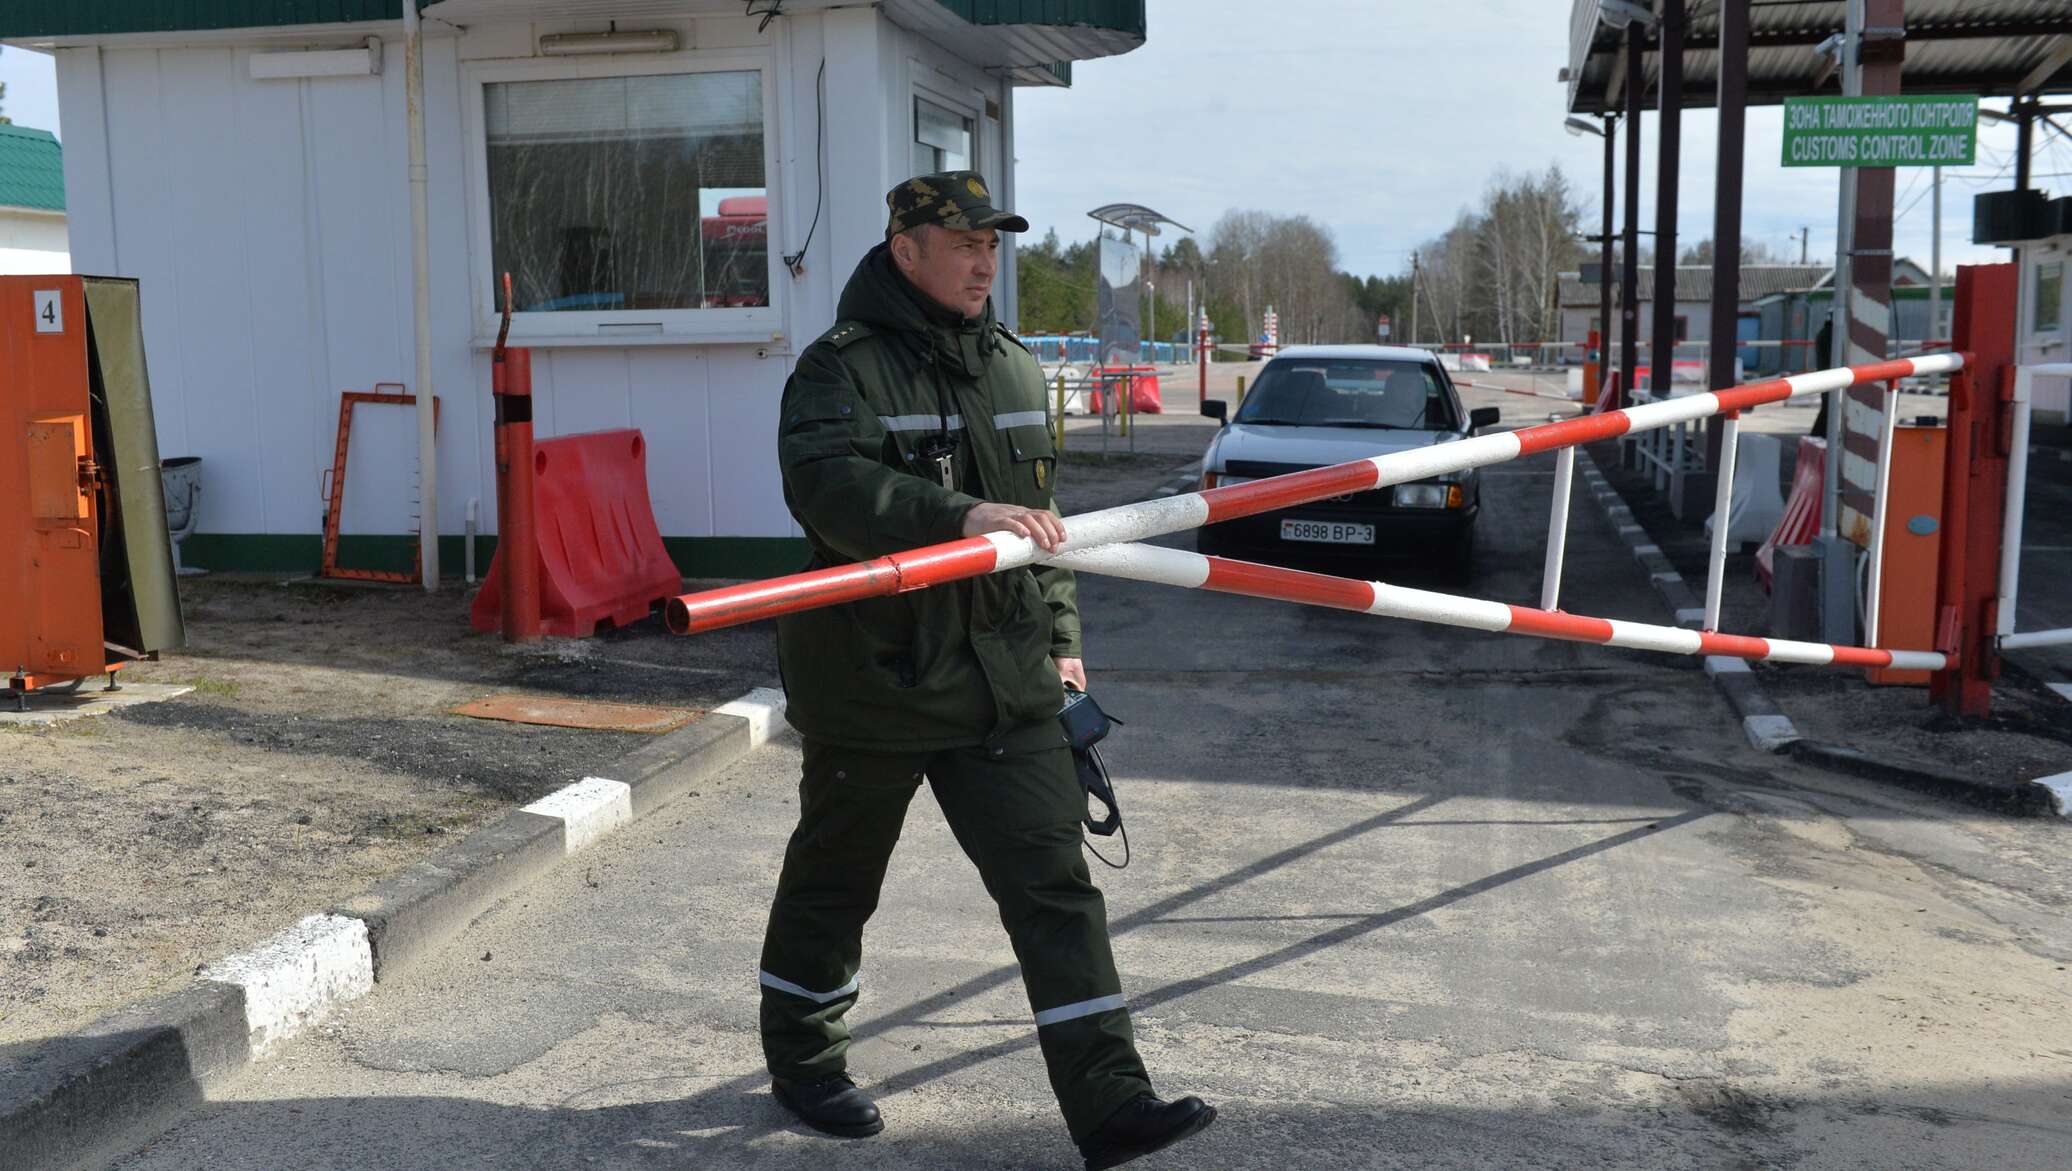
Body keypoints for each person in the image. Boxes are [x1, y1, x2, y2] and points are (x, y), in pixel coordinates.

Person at [758, 171, 1217, 1170]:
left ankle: (1110, 1103)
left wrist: (1060, 637)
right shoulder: (838, 369)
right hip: (872, 673)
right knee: (836, 881)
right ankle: (803, 1059)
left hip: (1004, 677)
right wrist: (953, 515)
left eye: (991, 243)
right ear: (903, 246)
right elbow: (826, 489)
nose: (981, 260)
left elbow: (1043, 526)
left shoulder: (1013, 368)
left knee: (1053, 885)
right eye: (961, 241)